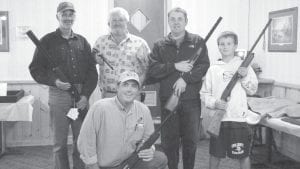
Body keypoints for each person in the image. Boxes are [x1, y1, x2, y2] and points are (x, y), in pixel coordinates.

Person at [29, 2, 98, 169]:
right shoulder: (46, 41)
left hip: (80, 96)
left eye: (71, 14)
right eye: (64, 14)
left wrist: (85, 96)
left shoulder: (82, 41)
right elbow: (35, 69)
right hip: (58, 96)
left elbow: (92, 72)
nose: (68, 18)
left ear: (74, 17)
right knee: (59, 142)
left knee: (80, 140)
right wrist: (55, 82)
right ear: (57, 16)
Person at [147, 7, 210, 169]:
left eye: (179, 19)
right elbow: (153, 70)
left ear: (186, 21)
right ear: (168, 22)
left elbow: (203, 66)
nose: (176, 22)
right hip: (169, 99)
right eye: (172, 19)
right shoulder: (159, 44)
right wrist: (175, 66)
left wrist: (185, 80)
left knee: (191, 141)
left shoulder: (198, 41)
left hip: (191, 100)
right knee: (169, 141)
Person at [77, 71, 168, 169]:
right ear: (117, 87)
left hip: (129, 163)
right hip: (102, 166)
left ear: (138, 90)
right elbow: (86, 140)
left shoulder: (143, 110)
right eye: (125, 85)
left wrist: (150, 149)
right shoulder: (100, 108)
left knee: (160, 158)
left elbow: (147, 137)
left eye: (134, 86)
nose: (129, 90)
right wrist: (92, 165)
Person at [200, 31, 258, 169]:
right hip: (218, 120)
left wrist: (244, 77)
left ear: (235, 46)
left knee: (243, 155)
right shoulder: (213, 69)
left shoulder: (244, 66)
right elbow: (204, 94)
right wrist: (215, 103)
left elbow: (253, 89)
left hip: (238, 118)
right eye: (222, 44)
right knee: (215, 154)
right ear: (218, 47)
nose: (225, 47)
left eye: (229, 44)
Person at [92, 7, 150, 98]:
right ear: (108, 23)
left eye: (121, 20)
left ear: (127, 22)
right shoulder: (100, 42)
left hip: (132, 95)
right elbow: (90, 61)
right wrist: (95, 59)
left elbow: (148, 68)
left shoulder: (140, 44)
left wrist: (138, 86)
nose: (117, 23)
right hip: (108, 95)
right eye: (114, 20)